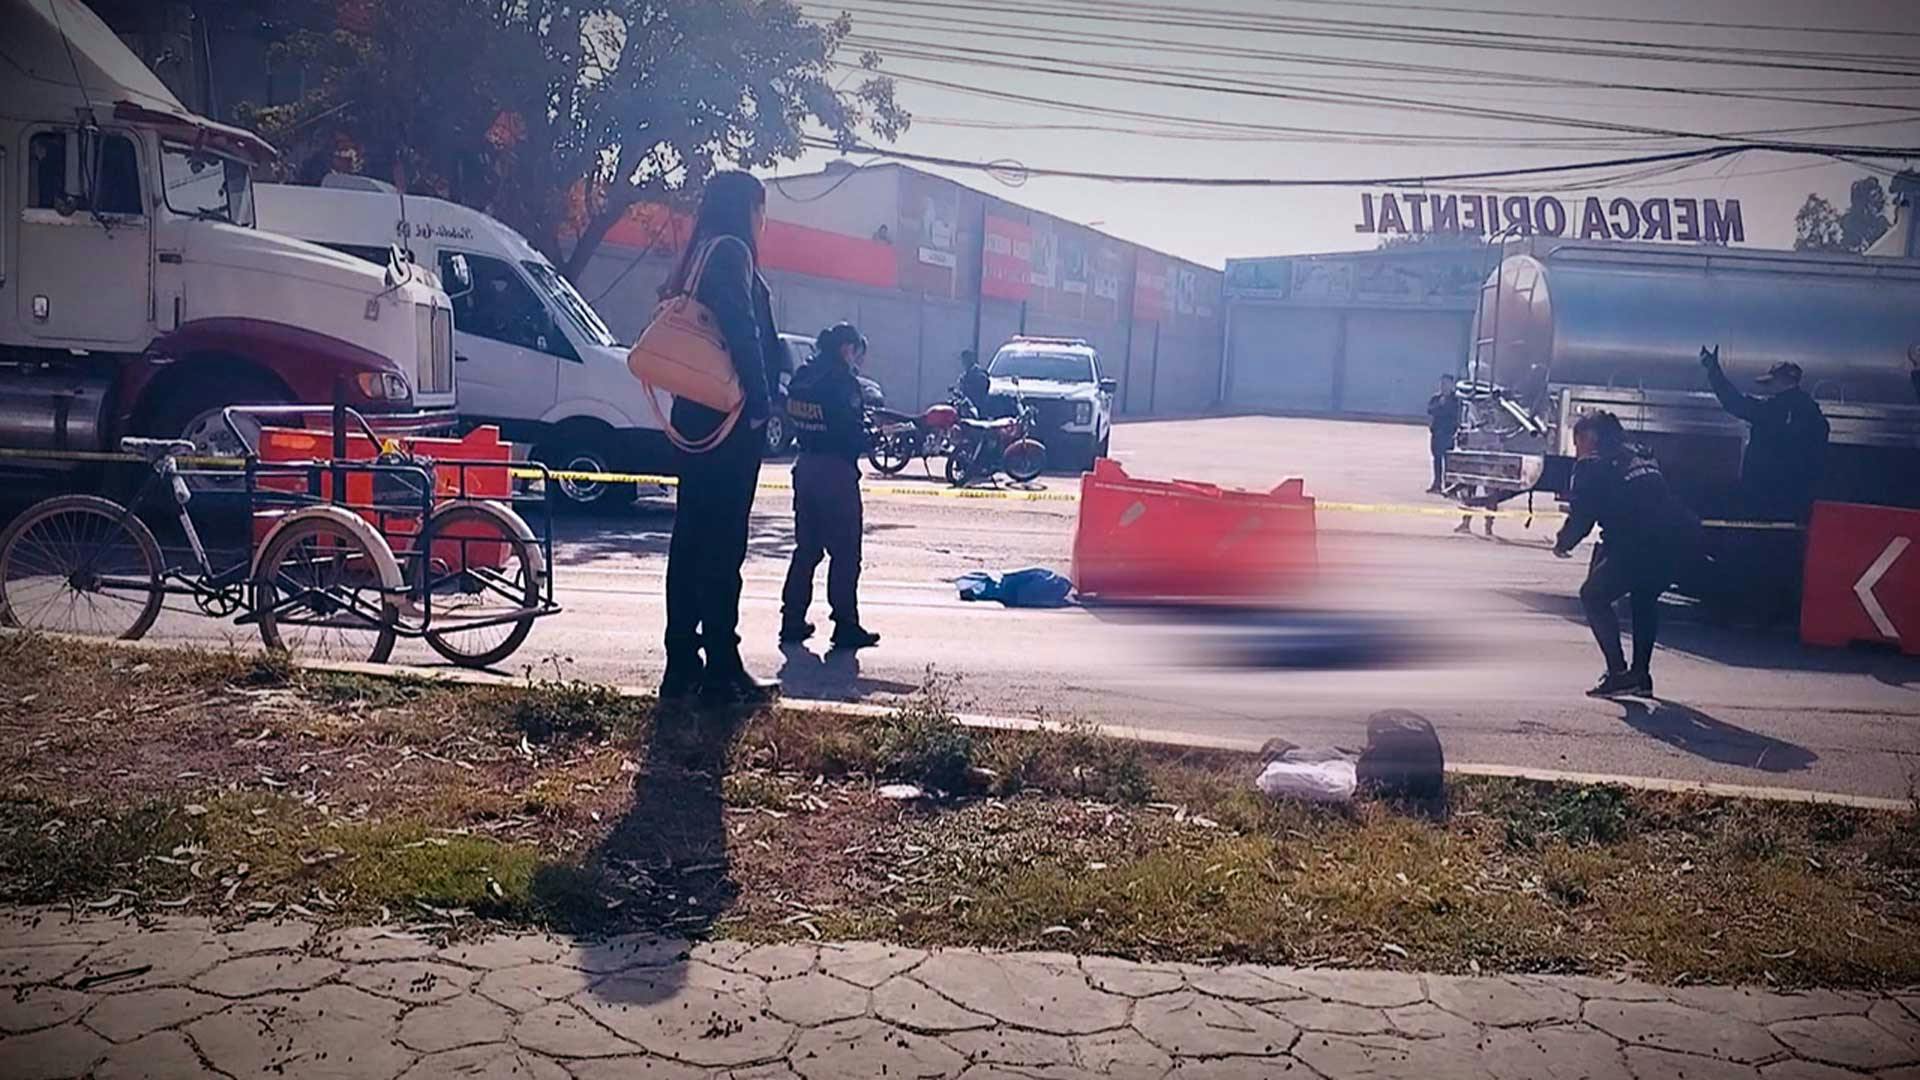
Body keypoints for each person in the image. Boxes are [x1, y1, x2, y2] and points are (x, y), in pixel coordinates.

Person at [659, 171, 785, 706]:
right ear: (747, 209)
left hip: (694, 414)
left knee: (690, 541)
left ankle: (683, 663)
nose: (765, 220)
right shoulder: (734, 251)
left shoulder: (699, 252)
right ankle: (722, 669)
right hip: (727, 418)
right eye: (762, 208)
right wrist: (761, 403)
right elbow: (743, 329)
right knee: (722, 544)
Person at [1553, 411, 1703, 699]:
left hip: (1641, 541)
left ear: (1590, 437)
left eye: (1578, 441)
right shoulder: (1639, 453)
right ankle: (1640, 676)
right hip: (1678, 536)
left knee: (1593, 596)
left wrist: (1563, 543)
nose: (1577, 449)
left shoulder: (1592, 465)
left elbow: (1583, 514)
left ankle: (1618, 672)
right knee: (1644, 597)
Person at [780, 323, 881, 650]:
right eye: (856, 351)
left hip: (805, 468)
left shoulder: (803, 376)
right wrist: (874, 439)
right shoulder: (842, 382)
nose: (857, 359)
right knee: (845, 553)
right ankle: (845, 624)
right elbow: (851, 434)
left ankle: (792, 620)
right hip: (836, 473)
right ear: (846, 348)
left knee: (806, 550)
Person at [1700, 347, 1830, 520]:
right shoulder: (1813, 413)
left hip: (1765, 495)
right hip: (1800, 499)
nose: (1769, 388)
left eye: (1771, 383)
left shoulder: (1772, 410)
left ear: (1782, 382)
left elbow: (1735, 403)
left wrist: (1713, 371)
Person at [1425, 374, 1461, 494]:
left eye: (1446, 384)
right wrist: (1440, 404)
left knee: (1449, 461)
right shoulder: (1436, 398)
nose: (1443, 386)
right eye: (1442, 384)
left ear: (1451, 385)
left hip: (1448, 434)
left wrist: (1444, 406)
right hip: (1436, 433)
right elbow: (1430, 410)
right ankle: (1437, 483)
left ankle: (1449, 485)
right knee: (1437, 459)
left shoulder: (1456, 400)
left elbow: (1454, 414)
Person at [958, 348, 991, 418]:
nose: (964, 362)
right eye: (963, 359)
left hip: (979, 406)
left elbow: (983, 388)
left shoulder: (979, 373)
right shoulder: (964, 375)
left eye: (967, 359)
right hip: (968, 405)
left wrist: (968, 386)